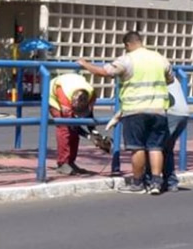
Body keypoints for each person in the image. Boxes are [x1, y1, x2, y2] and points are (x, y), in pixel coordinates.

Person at [77, 31, 173, 195]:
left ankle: (137, 183)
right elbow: (170, 79)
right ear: (141, 41)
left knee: (137, 148)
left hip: (135, 109)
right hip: (158, 109)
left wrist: (85, 64)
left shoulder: (128, 59)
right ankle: (156, 182)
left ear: (127, 45)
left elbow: (104, 72)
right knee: (156, 147)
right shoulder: (159, 58)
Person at [47, 70, 97, 176]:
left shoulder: (92, 93)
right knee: (64, 128)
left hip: (69, 91)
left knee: (74, 133)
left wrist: (94, 132)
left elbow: (90, 114)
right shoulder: (64, 96)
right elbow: (72, 124)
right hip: (53, 97)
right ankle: (62, 163)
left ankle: (70, 162)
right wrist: (88, 136)